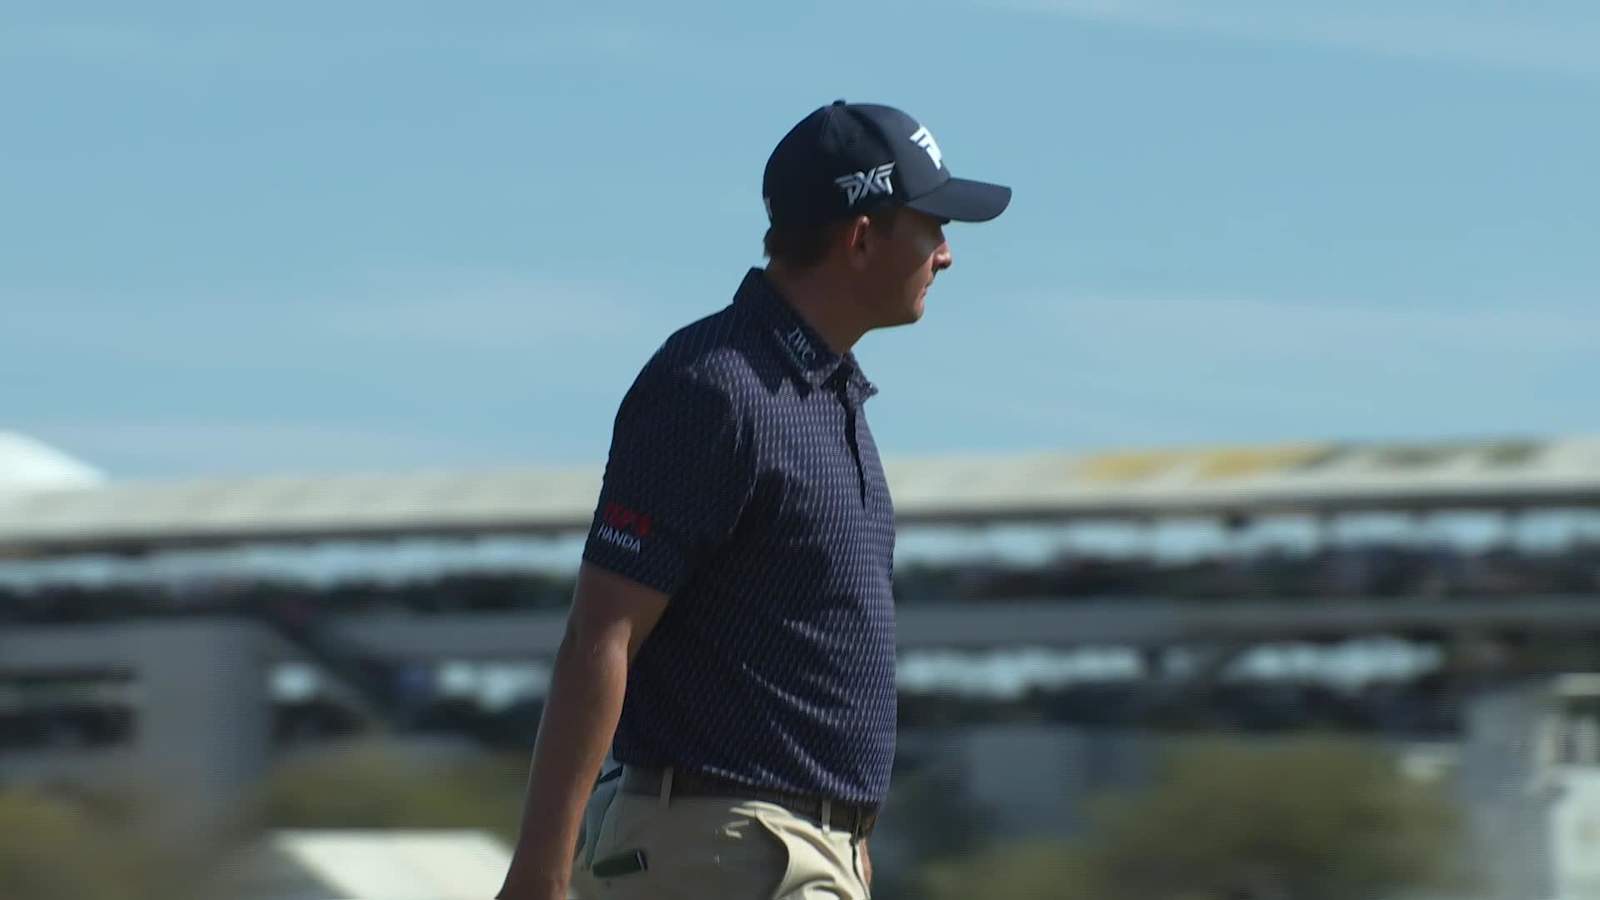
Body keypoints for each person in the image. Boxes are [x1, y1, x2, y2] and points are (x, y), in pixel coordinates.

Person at [496, 99, 1011, 900]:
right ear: (862, 236)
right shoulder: (714, 387)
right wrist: (538, 876)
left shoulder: (823, 394)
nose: (946, 254)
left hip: (786, 851)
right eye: (931, 225)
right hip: (727, 849)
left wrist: (846, 831)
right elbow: (602, 634)